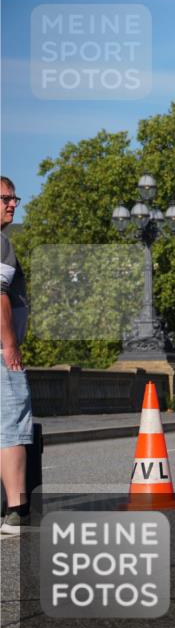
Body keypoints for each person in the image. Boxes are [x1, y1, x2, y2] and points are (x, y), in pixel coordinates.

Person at [1, 176, 32, 535]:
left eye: (14, 198)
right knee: (12, 428)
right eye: (6, 198)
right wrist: (10, 346)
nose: (13, 204)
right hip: (0, 353)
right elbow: (0, 296)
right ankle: (17, 511)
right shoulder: (0, 244)